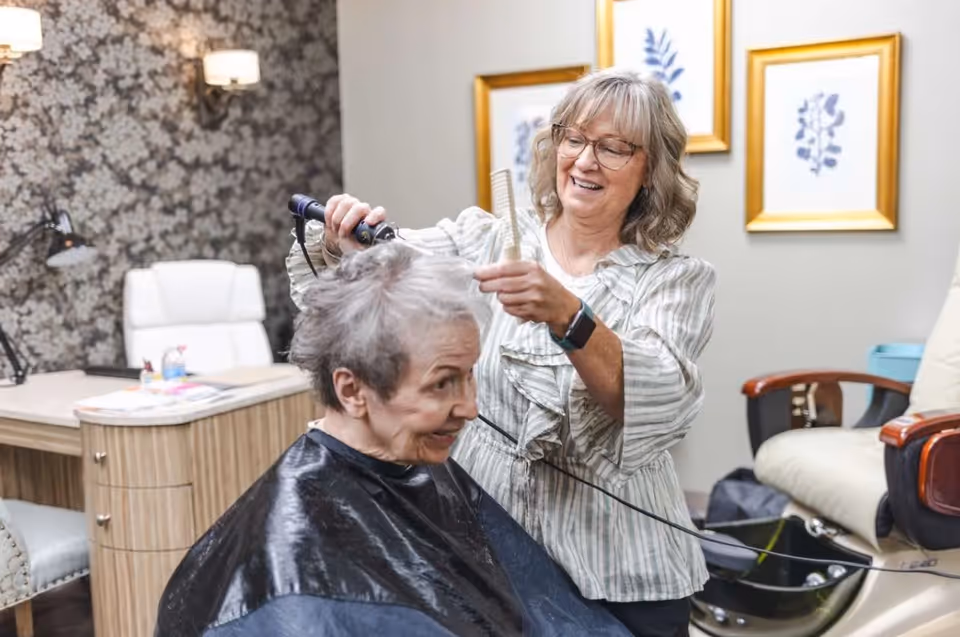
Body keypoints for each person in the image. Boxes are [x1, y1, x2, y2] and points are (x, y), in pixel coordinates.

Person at [287, 67, 716, 636]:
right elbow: (385, 273)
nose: (586, 161)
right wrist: (347, 241)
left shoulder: (676, 280)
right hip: (487, 547)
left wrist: (569, 314)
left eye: (614, 148)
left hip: (620, 570)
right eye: (575, 138)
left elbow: (656, 398)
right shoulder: (485, 237)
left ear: (649, 172)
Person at [154, 241, 633, 637]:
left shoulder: (417, 466)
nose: (470, 407)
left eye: (470, 376)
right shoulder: (289, 580)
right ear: (352, 389)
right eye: (442, 383)